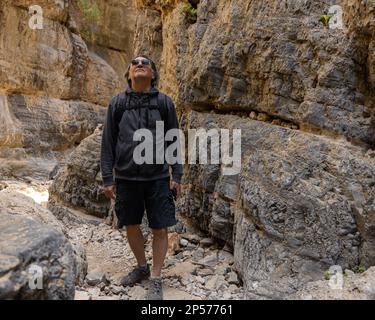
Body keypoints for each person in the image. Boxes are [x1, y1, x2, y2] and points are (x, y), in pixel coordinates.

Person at [100, 55, 183, 300]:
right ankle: (141, 266)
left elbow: (173, 139)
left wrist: (176, 173)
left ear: (153, 75)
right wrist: (107, 178)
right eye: (135, 62)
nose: (140, 64)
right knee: (131, 225)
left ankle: (156, 278)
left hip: (157, 177)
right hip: (125, 177)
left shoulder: (164, 103)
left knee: (160, 227)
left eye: (145, 62)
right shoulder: (117, 104)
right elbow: (108, 143)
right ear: (128, 75)